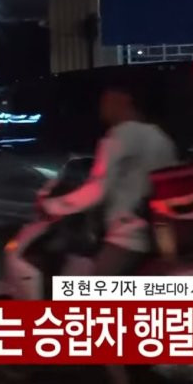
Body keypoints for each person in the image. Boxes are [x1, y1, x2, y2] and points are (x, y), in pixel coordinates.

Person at [37, 79, 179, 277]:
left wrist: (51, 205)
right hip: (161, 234)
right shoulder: (160, 137)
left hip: (130, 236)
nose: (102, 109)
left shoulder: (121, 135)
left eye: (106, 102)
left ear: (123, 101)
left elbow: (96, 190)